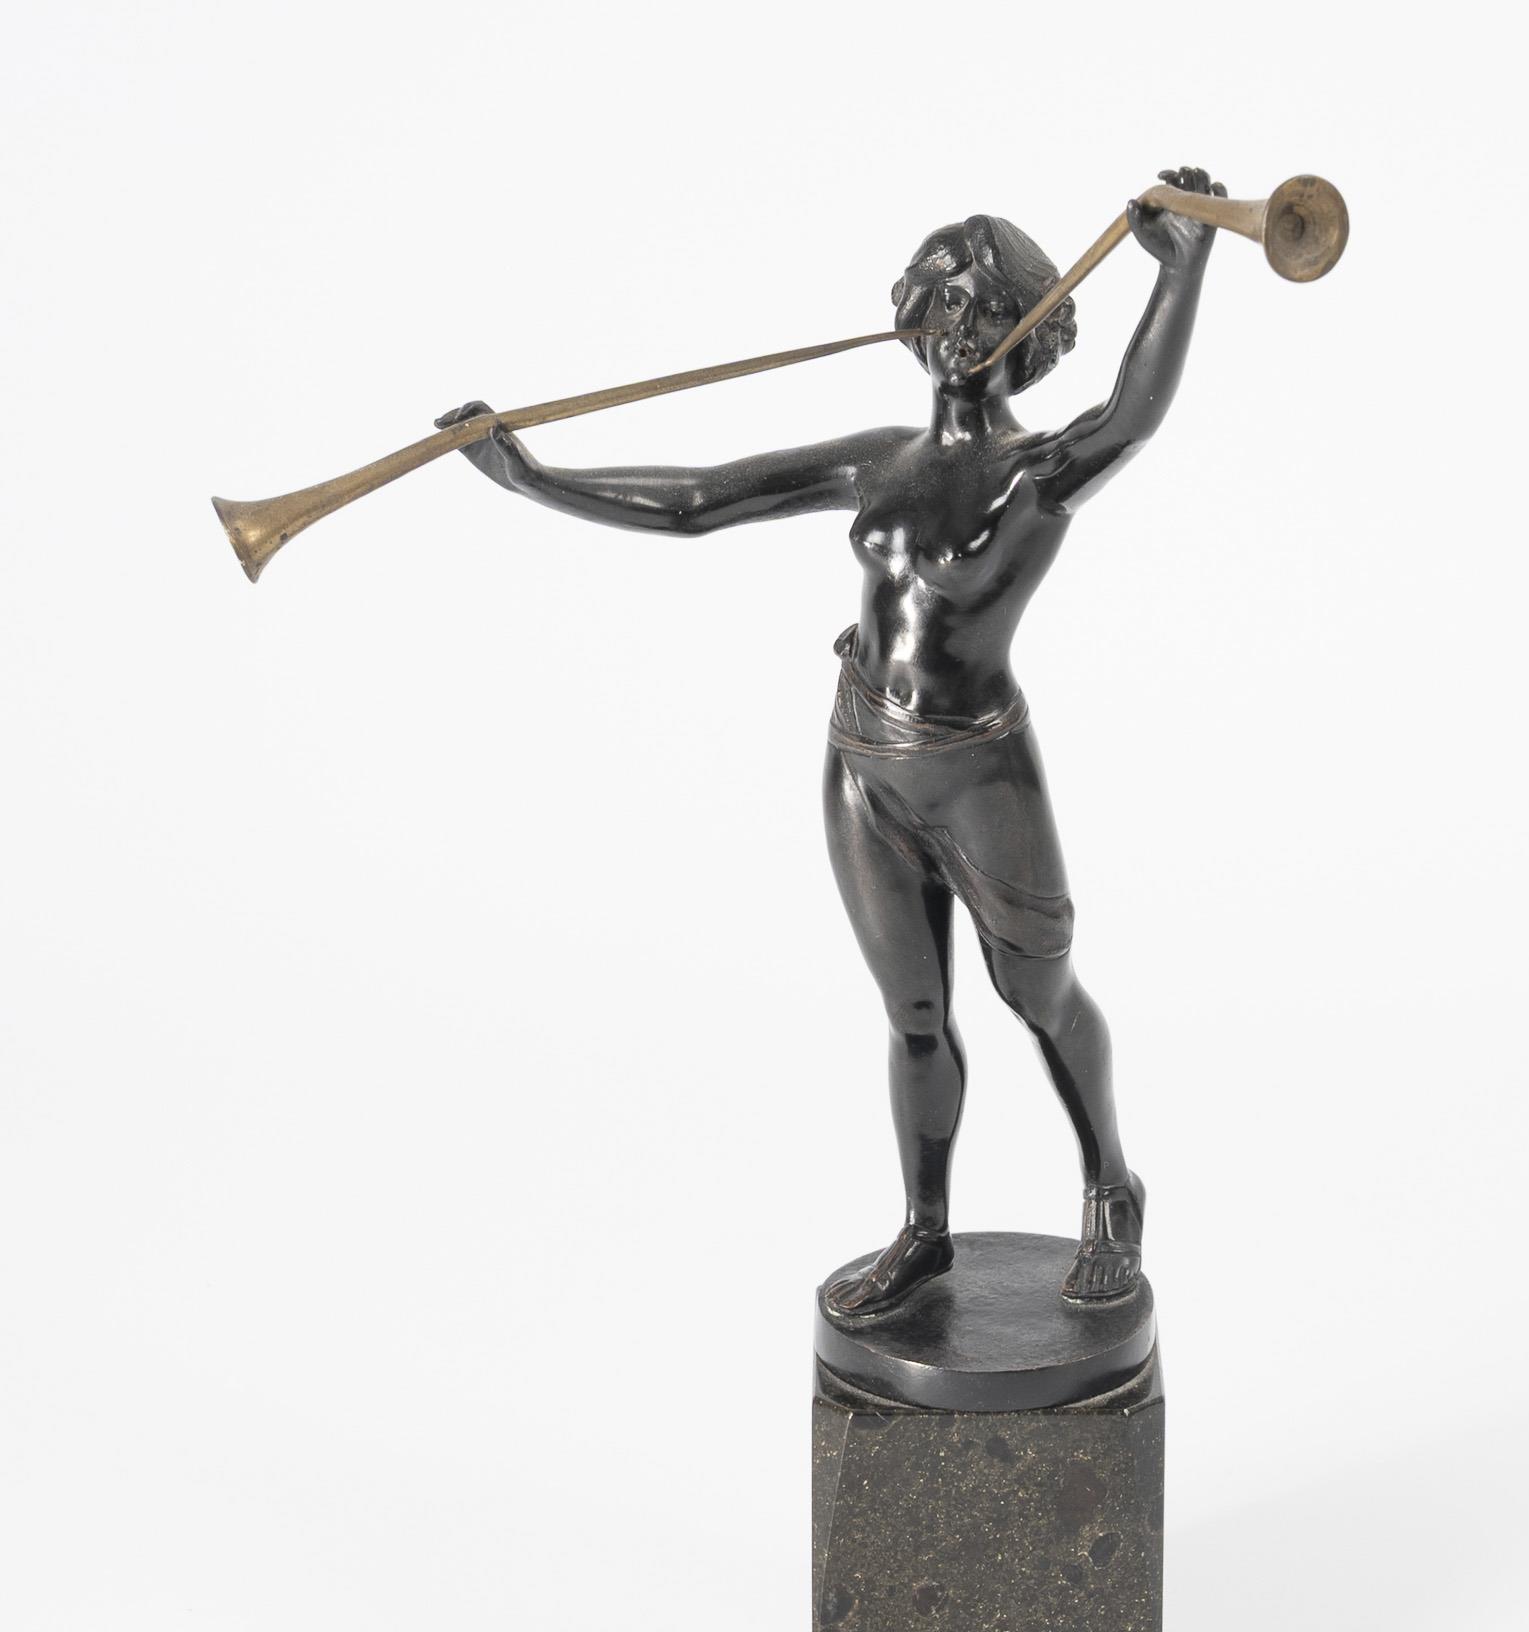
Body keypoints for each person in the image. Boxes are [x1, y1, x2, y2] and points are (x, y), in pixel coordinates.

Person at [438, 166, 1225, 1318]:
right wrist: (529, 476)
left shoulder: (1037, 472)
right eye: (933, 297)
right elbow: (700, 501)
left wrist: (1184, 271)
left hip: (980, 772)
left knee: (1038, 992)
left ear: (1025, 329)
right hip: (863, 762)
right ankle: (925, 1231)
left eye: (976, 304)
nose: (948, 324)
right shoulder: (879, 461)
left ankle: (1111, 1185)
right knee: (915, 1016)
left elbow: (1132, 416)